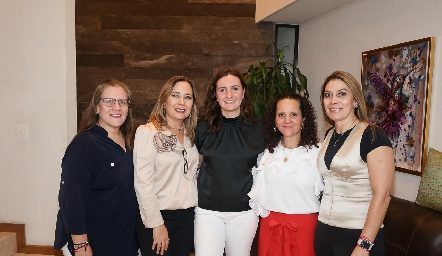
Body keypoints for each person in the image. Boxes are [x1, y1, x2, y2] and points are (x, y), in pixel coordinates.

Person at [314, 70, 395, 256]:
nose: (333, 100)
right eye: (328, 95)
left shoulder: (373, 135)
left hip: (359, 234)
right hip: (325, 231)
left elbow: (383, 196)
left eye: (342, 94)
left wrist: (364, 245)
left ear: (355, 100)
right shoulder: (328, 136)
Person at [54, 78, 138, 256]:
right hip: (92, 242)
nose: (116, 107)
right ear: (97, 107)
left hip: (122, 240)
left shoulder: (130, 141)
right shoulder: (83, 145)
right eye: (109, 101)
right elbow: (71, 199)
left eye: (122, 102)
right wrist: (80, 244)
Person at [194, 68, 266, 256]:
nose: (229, 95)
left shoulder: (260, 128)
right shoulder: (202, 128)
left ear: (243, 92)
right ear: (215, 95)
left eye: (234, 88)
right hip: (207, 212)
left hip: (245, 212)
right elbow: (193, 167)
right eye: (222, 89)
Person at [248, 91, 323, 256]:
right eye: (281, 114)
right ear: (275, 120)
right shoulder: (265, 154)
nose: (287, 120)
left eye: (293, 114)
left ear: (303, 120)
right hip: (270, 228)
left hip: (305, 231)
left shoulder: (318, 154)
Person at [134, 76, 199, 256]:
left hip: (187, 218)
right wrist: (157, 223)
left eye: (187, 97)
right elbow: (143, 183)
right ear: (164, 100)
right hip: (158, 216)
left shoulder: (192, 135)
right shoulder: (148, 132)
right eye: (175, 95)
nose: (181, 102)